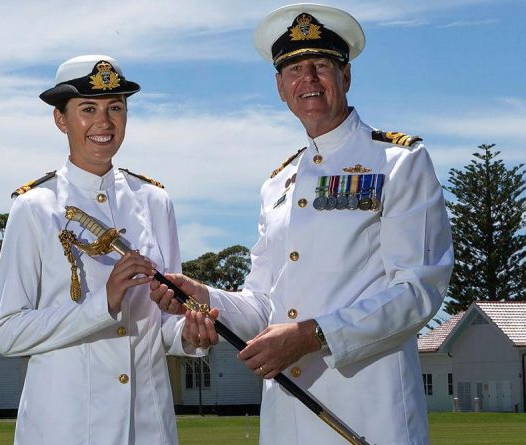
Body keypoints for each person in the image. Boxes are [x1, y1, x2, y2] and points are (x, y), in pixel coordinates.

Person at [150, 4, 453, 444]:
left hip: (370, 411)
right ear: (280, 87)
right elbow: (261, 304)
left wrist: (312, 336)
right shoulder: (277, 184)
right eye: (293, 69)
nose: (307, 79)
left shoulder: (399, 162)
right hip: (288, 416)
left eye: (320, 65)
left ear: (345, 77)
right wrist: (204, 297)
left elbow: (417, 292)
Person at [0, 55, 193, 445]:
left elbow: (162, 322)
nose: (104, 122)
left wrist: (190, 334)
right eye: (88, 109)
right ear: (60, 120)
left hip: (146, 425)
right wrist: (103, 304)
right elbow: (7, 333)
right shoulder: (34, 207)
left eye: (115, 107)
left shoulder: (155, 201)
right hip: (63, 428)